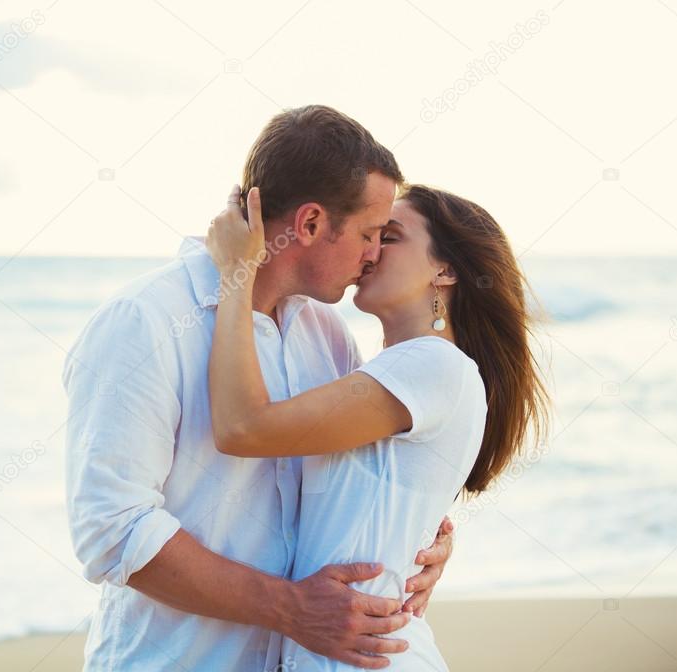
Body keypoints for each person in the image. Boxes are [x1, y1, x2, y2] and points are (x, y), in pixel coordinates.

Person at [63, 105, 455, 671]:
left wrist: (428, 543)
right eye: (370, 234)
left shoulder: (327, 334)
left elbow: (363, 483)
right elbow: (112, 530)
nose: (373, 255)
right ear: (312, 223)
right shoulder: (144, 320)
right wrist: (292, 610)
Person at [204, 182, 550, 670]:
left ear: (444, 269)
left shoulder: (432, 366)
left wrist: (235, 274)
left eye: (388, 237)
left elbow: (242, 429)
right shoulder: (391, 372)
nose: (368, 252)